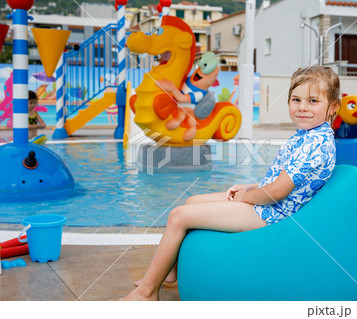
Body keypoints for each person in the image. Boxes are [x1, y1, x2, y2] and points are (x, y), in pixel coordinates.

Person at [121, 66, 341, 301]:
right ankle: (170, 271)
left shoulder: (313, 143)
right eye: (296, 99)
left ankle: (147, 293)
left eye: (313, 100)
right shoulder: (308, 135)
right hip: (269, 204)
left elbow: (277, 192)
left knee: (178, 216)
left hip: (272, 215)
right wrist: (250, 188)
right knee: (191, 201)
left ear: (333, 108)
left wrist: (246, 198)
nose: (302, 107)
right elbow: (286, 182)